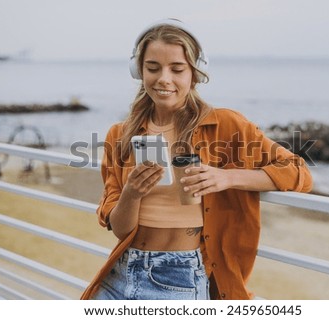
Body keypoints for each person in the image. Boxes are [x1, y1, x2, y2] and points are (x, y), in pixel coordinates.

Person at [81, 18, 313, 300]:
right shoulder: (120, 134)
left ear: (195, 73)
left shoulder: (226, 125)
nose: (163, 79)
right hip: (119, 273)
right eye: (152, 68)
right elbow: (120, 230)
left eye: (177, 69)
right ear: (138, 71)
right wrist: (131, 193)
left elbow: (298, 171)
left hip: (179, 277)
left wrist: (226, 177)